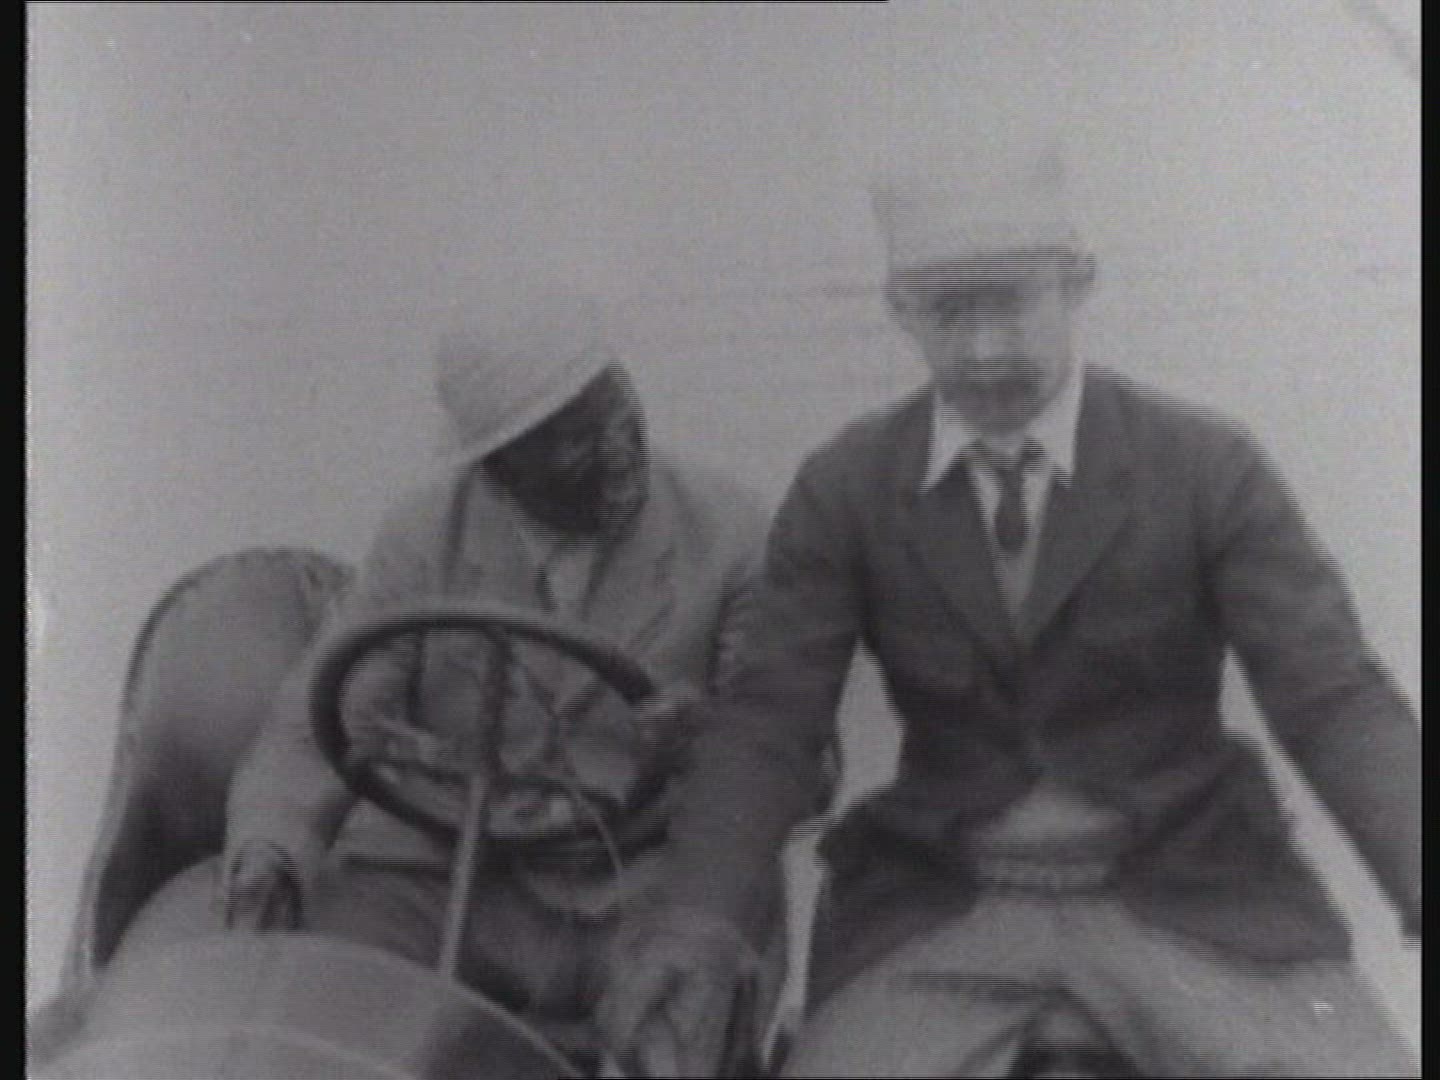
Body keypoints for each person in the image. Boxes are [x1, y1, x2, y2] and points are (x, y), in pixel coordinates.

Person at [597, 150, 1421, 1077]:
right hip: (948, 900)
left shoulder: (1205, 466)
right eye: (949, 312)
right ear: (900, 312)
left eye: (1013, 302)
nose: (985, 348)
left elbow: (1333, 697)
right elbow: (766, 722)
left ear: (1077, 285)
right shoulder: (846, 485)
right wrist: (696, 922)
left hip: (1189, 891)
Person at [219, 292, 775, 1068]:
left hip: (642, 883)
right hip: (448, 871)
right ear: (500, 465)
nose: (620, 449)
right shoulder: (421, 534)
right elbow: (319, 725)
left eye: (619, 409)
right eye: (575, 439)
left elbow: (802, 764)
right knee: (310, 1015)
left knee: (691, 1018)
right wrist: (270, 847)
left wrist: (712, 741)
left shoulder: (734, 532)